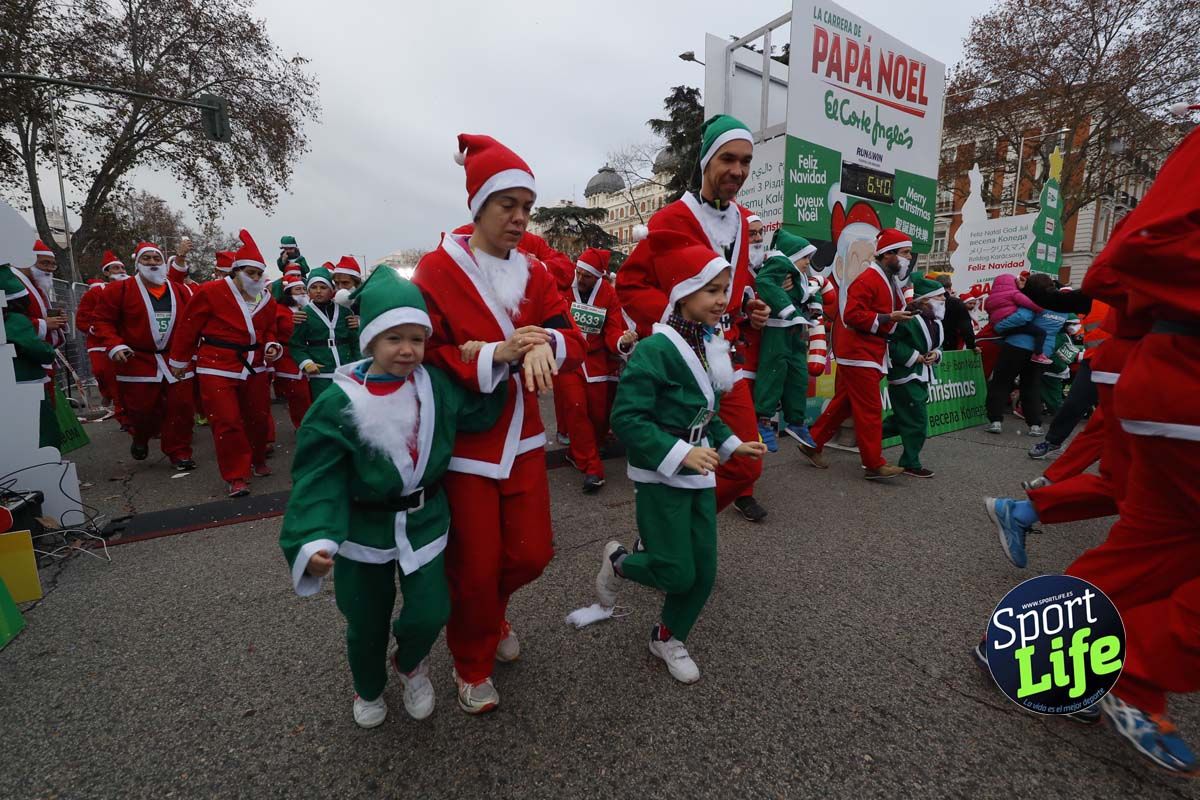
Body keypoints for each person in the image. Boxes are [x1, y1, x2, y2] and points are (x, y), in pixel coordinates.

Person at [280, 265, 508, 728]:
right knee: (365, 621)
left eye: (416, 339)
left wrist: (498, 361)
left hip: (425, 523)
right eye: (393, 338)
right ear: (369, 341)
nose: (407, 350)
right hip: (363, 531)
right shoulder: (336, 402)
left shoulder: (435, 385)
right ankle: (368, 689)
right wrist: (315, 538)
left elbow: (477, 411)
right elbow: (317, 476)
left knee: (431, 610)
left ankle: (410, 662)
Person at [412, 133, 586, 714]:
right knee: (476, 565)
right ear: (477, 205)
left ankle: (491, 613)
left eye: (526, 207)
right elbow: (427, 351)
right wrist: (496, 353)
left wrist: (547, 344)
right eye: (506, 204)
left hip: (525, 437)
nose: (519, 218)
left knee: (531, 554)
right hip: (467, 444)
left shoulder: (535, 273)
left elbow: (570, 334)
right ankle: (471, 662)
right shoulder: (437, 270)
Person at [594, 230, 767, 683]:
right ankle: (619, 563)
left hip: (699, 469)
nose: (721, 299)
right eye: (711, 290)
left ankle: (667, 636)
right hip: (661, 475)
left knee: (703, 571)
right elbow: (627, 420)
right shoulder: (654, 349)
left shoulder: (707, 346)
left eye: (725, 290)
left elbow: (707, 412)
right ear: (684, 293)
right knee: (675, 571)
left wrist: (732, 445)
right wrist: (680, 453)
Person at [615, 114, 771, 523]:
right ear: (706, 162)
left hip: (724, 362)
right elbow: (629, 285)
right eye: (727, 159)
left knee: (745, 463)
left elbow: (730, 290)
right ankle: (667, 540)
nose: (737, 170)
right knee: (682, 458)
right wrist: (676, 323)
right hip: (681, 366)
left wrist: (748, 307)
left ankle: (677, 532)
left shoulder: (741, 218)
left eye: (745, 161)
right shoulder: (670, 220)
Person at [168, 230, 282, 497]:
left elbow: (268, 331)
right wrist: (180, 360)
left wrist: (272, 346)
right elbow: (188, 326)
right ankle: (236, 475)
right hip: (216, 364)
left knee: (258, 417)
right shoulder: (211, 292)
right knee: (227, 420)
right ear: (235, 271)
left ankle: (258, 459)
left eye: (258, 274)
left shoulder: (267, 298)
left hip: (254, 363)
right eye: (249, 272)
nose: (254, 278)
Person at [797, 228, 915, 479]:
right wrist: (887, 317)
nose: (908, 258)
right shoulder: (869, 279)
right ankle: (873, 463)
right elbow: (852, 315)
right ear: (888, 254)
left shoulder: (886, 278)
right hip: (860, 351)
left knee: (845, 403)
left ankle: (811, 442)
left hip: (866, 350)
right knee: (870, 410)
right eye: (905, 253)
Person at [91, 242, 197, 468]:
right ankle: (140, 437)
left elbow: (193, 322)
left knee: (182, 407)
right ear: (137, 263)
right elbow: (102, 321)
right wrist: (115, 345)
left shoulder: (180, 290)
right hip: (137, 359)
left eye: (156, 259)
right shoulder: (118, 290)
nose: (152, 263)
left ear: (162, 263)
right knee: (141, 410)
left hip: (174, 358)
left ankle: (179, 451)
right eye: (146, 258)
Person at [557, 247, 637, 493]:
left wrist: (622, 341)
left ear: (599, 277)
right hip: (568, 358)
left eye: (587, 276)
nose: (580, 279)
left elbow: (613, 329)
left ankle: (578, 452)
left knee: (600, 416)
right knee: (576, 408)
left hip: (596, 362)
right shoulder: (562, 287)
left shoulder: (608, 294)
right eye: (578, 273)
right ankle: (592, 468)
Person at [753, 229, 819, 451]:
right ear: (793, 253)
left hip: (795, 332)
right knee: (773, 372)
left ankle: (796, 421)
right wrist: (788, 310)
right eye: (804, 257)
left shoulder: (798, 275)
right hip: (777, 328)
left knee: (799, 376)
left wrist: (815, 306)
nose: (808, 262)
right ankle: (762, 420)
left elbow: (810, 289)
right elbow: (764, 282)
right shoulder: (780, 263)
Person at [983, 273, 1068, 436]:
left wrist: (1000, 327)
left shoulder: (1036, 300)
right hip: (1042, 350)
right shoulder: (1062, 306)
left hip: (1017, 344)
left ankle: (995, 421)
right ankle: (1035, 425)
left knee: (1001, 382)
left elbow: (1022, 317)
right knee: (1032, 386)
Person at [880, 277, 945, 478]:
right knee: (917, 421)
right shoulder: (909, 319)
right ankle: (910, 463)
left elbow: (936, 346)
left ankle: (867, 435)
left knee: (903, 419)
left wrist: (936, 354)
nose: (944, 300)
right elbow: (890, 343)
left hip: (922, 376)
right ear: (926, 300)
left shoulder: (935, 321)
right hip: (905, 375)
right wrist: (913, 356)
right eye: (940, 297)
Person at [1, 264, 59, 445]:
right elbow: (37, 349)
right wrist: (49, 352)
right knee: (42, 427)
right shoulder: (14, 321)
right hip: (27, 380)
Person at [74, 250, 130, 423]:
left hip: (124, 342)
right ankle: (106, 393)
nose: (120, 270)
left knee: (121, 382)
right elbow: (81, 319)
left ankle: (126, 419)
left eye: (122, 267)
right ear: (106, 272)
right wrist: (94, 329)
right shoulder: (95, 293)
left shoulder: (132, 290)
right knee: (101, 372)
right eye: (115, 268)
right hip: (100, 343)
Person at [289, 266, 360, 401]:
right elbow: (296, 344)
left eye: (323, 287)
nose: (318, 291)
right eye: (313, 287)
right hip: (321, 374)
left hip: (346, 371)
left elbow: (354, 341)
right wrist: (306, 363)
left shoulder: (345, 312)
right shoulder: (304, 314)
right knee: (324, 410)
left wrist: (359, 363)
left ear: (332, 290)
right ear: (308, 291)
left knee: (348, 408)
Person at [270, 274, 313, 430]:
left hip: (311, 354)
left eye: (303, 288)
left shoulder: (311, 307)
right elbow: (271, 331)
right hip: (288, 357)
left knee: (312, 393)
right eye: (297, 289)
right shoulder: (279, 310)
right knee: (299, 395)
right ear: (288, 292)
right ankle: (302, 426)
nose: (302, 292)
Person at [985, 273, 1052, 364]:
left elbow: (988, 311)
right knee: (1041, 333)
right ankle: (1038, 354)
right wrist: (1040, 308)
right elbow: (1028, 303)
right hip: (1013, 322)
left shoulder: (989, 298)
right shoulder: (1013, 293)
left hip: (999, 327)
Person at [932, 274, 976, 351]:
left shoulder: (927, 301)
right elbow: (966, 327)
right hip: (950, 343)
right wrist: (972, 345)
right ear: (950, 286)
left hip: (932, 344)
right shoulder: (956, 303)